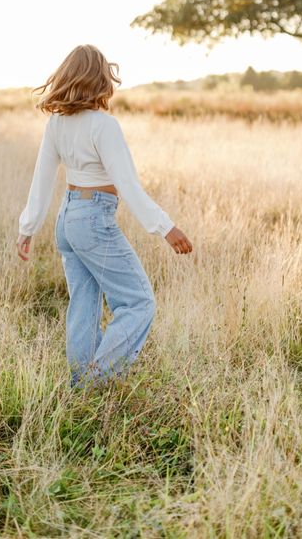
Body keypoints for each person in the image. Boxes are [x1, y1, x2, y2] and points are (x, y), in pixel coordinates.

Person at [16, 44, 193, 389]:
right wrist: (165, 227)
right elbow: (127, 185)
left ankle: (81, 386)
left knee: (84, 305)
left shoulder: (56, 124)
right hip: (93, 219)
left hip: (67, 220)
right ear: (100, 80)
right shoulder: (104, 125)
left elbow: (41, 180)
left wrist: (28, 228)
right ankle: (95, 381)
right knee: (139, 302)